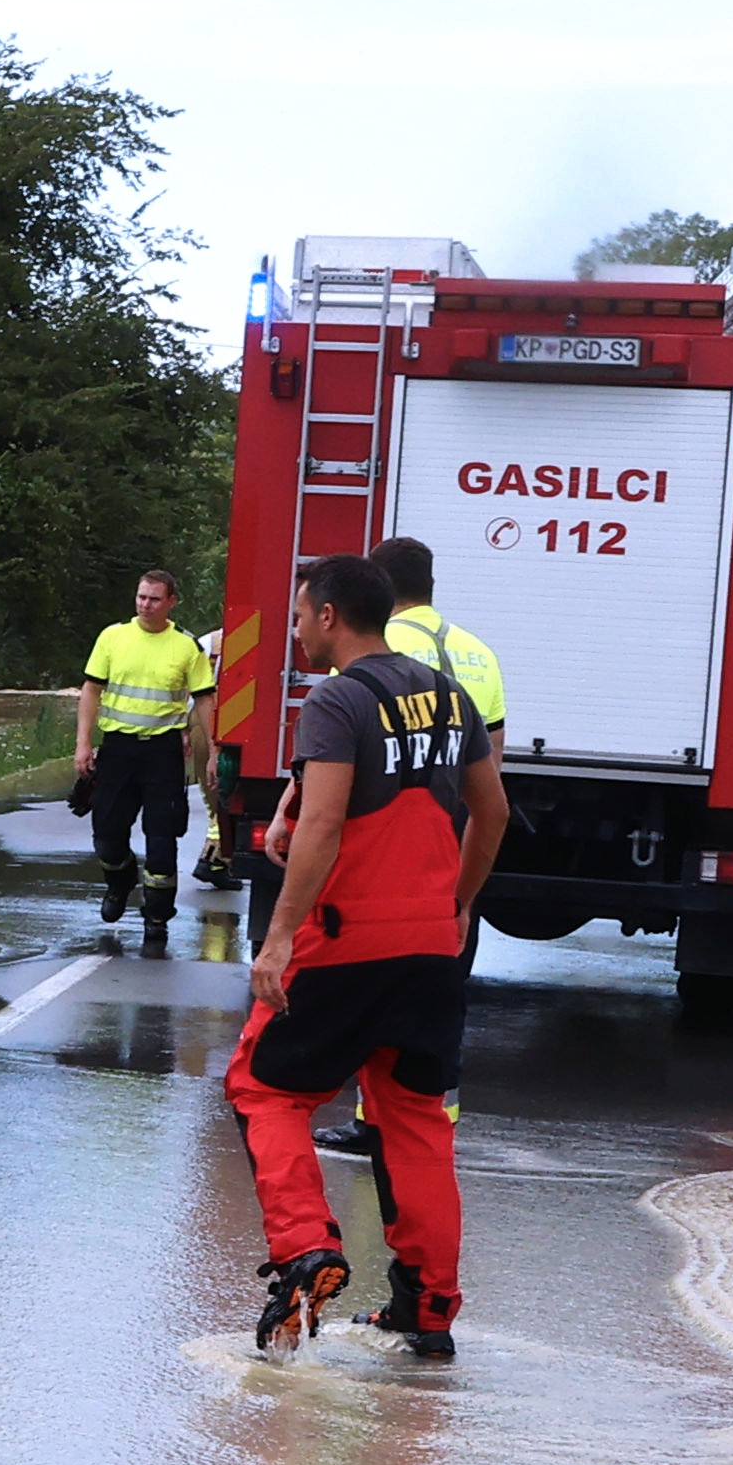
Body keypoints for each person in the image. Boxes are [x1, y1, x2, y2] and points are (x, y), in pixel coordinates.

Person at [227, 552, 504, 1355]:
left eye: (299, 613)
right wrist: (457, 903)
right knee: (415, 1121)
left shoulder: (337, 701)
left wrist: (279, 938)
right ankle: (428, 1310)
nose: (294, 628)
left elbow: (319, 826)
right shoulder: (451, 698)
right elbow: (493, 811)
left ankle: (306, 1246)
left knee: (263, 1087)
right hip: (429, 951)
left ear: (329, 616)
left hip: (347, 943)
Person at [71, 567, 216, 948]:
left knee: (162, 838)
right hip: (118, 749)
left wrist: (212, 750)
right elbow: (90, 690)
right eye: (141, 597)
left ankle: (156, 917)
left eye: (154, 599)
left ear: (171, 602)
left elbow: (204, 700)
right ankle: (119, 884)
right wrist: (83, 744)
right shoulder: (113, 637)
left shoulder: (186, 647)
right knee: (107, 835)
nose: (145, 605)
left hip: (163, 753)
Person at [368, 535, 509, 732]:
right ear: (431, 583)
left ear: (376, 587)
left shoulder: (364, 645)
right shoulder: (483, 653)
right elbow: (494, 748)